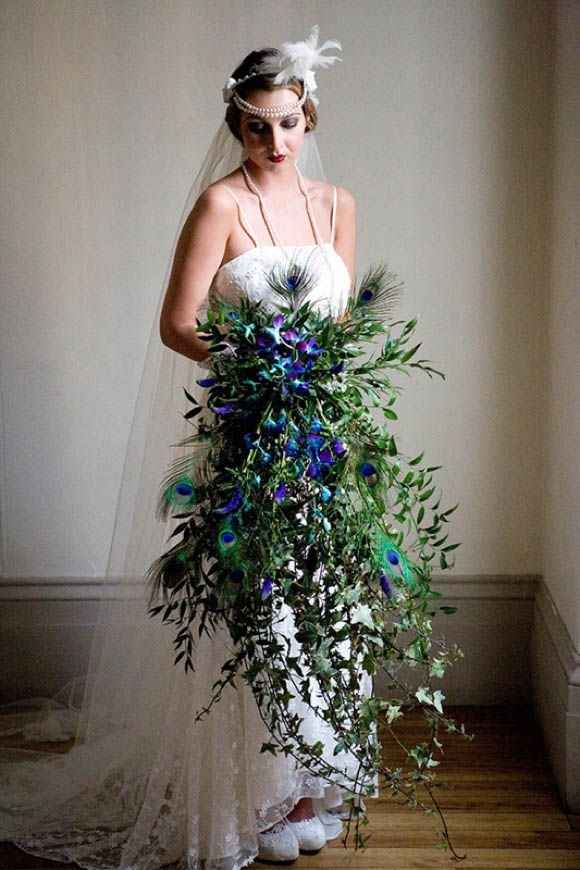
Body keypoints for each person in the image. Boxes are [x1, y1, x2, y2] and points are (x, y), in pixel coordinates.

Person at [0, 26, 376, 870]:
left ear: (309, 117)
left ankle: (306, 785)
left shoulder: (339, 205)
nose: (274, 143)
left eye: (287, 123)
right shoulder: (220, 205)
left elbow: (342, 323)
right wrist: (260, 364)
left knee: (319, 606)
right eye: (255, 127)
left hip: (318, 439)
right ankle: (243, 794)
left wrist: (317, 384)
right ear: (237, 127)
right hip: (246, 430)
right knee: (253, 612)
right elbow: (178, 324)